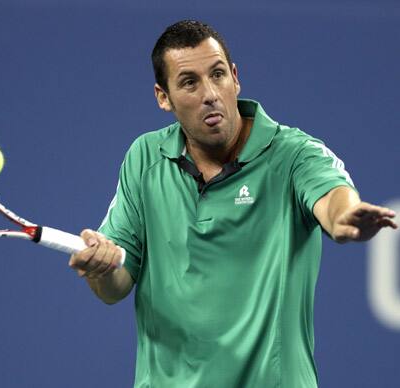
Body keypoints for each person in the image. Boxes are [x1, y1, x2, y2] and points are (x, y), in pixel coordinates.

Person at [69, 20, 397, 388]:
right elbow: (115, 286)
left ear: (235, 78)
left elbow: (334, 201)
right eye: (189, 82)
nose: (210, 93)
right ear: (164, 97)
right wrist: (102, 269)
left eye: (218, 74)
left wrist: (345, 217)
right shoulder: (143, 158)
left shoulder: (293, 154)